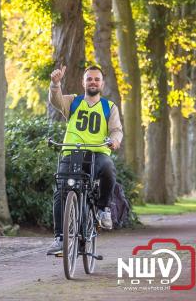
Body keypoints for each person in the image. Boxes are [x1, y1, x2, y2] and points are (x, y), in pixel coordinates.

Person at [47, 65, 123, 255]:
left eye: (97, 79)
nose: (93, 82)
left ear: (102, 84)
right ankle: (59, 238)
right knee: (61, 189)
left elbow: (116, 130)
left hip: (98, 153)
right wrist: (55, 84)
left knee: (108, 169)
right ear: (83, 82)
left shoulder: (109, 107)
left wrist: (114, 141)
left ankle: (102, 209)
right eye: (89, 79)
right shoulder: (73, 101)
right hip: (72, 152)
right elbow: (55, 101)